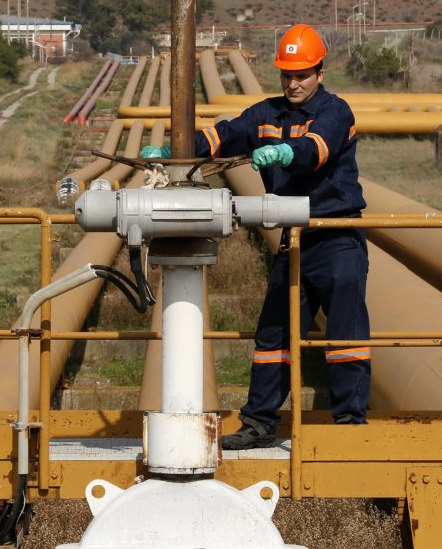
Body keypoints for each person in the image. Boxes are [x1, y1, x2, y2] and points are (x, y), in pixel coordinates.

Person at [142, 24, 370, 450]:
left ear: (319, 72)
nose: (293, 83)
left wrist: (287, 152)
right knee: (273, 337)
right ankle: (260, 423)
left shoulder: (336, 112)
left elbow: (316, 150)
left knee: (344, 336)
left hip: (336, 236)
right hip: (294, 240)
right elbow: (222, 136)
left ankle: (349, 426)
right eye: (287, 74)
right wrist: (176, 149)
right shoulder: (266, 115)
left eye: (301, 74)